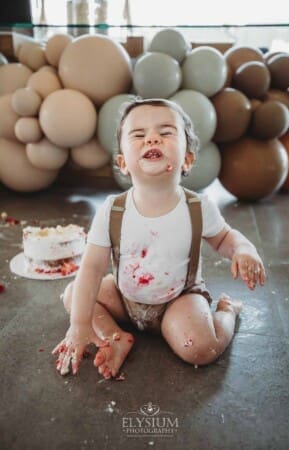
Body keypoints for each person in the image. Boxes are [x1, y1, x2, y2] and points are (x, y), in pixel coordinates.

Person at [52, 98, 266, 378]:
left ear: (187, 159)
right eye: (138, 135)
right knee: (74, 295)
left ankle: (227, 312)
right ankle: (116, 338)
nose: (152, 138)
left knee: (200, 349)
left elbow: (225, 238)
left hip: (178, 300)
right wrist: (79, 325)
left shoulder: (198, 206)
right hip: (124, 298)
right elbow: (91, 269)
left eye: (165, 133)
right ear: (123, 163)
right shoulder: (112, 210)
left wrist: (243, 249)